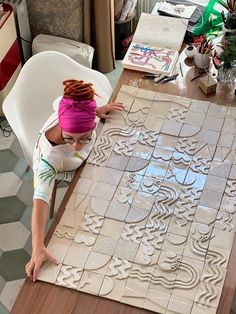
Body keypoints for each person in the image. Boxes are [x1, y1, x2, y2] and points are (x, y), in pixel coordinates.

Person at [25, 79, 124, 282]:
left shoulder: (69, 104)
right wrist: (37, 246)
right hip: (67, 165)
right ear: (62, 125)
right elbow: (40, 200)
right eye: (70, 138)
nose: (77, 145)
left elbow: (76, 104)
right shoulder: (49, 159)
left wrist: (95, 111)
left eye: (85, 138)